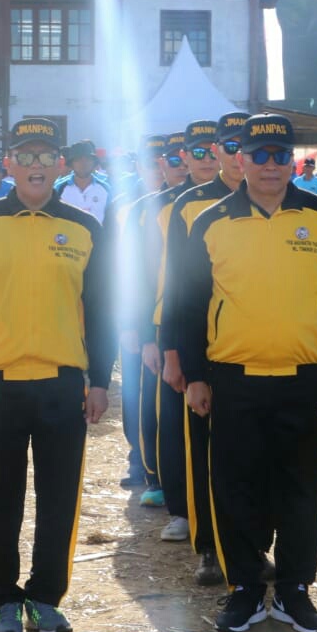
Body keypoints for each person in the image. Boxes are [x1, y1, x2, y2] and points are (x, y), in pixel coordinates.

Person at [176, 113, 317, 632]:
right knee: (236, 486)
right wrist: (194, 376)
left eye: (280, 155)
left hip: (302, 376)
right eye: (259, 155)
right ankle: (247, 588)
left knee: (300, 487)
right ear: (241, 159)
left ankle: (295, 590)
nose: (270, 165)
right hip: (231, 375)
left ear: (292, 160)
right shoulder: (209, 221)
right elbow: (189, 304)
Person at [0, 117, 114, 632]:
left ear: (60, 165)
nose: (36, 165)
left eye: (46, 156)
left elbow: (101, 307)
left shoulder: (86, 228)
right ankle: (3, 600)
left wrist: (100, 377)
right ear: (9, 164)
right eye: (26, 154)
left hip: (64, 384)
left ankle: (44, 598)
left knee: (59, 497)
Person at [157, 111, 248, 585]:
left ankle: (252, 546)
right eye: (227, 146)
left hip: (254, 354)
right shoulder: (189, 207)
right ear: (216, 152)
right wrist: (173, 354)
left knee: (254, 458)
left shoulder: (272, 203)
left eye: (242, 146)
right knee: (204, 454)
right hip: (205, 353)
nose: (236, 156)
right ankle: (209, 547)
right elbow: (177, 290)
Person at [139, 122, 217, 544]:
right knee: (176, 424)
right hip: (171, 325)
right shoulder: (163, 207)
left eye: (212, 150)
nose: (204, 159)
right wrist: (151, 337)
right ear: (181, 159)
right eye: (194, 153)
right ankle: (182, 509)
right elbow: (146, 275)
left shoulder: (243, 203)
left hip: (230, 332)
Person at [120, 131, 190, 510]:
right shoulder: (145, 209)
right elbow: (134, 274)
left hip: (204, 325)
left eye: (190, 157)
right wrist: (139, 328)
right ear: (163, 164)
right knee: (153, 407)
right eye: (174, 160)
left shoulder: (223, 204)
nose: (182, 166)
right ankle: (155, 475)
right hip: (157, 324)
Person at [113, 134, 169, 491]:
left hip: (169, 315)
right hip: (135, 314)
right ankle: (140, 458)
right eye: (148, 162)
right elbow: (117, 267)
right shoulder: (122, 204)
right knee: (135, 392)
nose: (157, 168)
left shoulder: (183, 202)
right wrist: (127, 322)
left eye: (163, 160)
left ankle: (165, 467)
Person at [56, 140, 111, 223]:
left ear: (93, 163)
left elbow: (110, 221)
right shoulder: (59, 188)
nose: (83, 163)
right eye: (78, 159)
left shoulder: (105, 188)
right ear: (71, 164)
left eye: (88, 159)